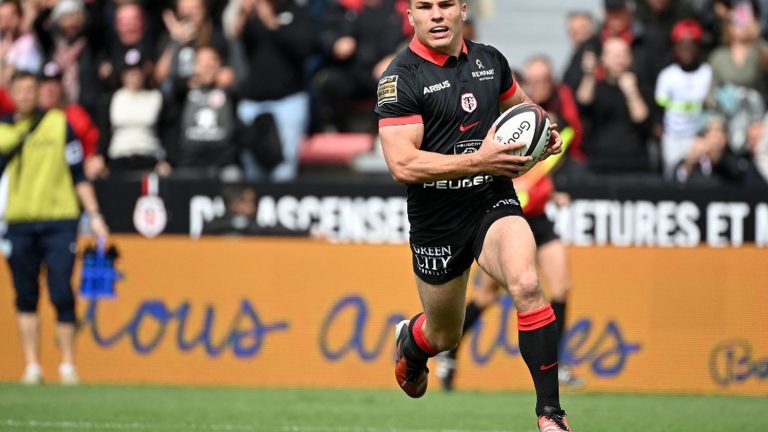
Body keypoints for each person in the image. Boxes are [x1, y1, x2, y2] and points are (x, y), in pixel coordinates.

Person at [375, 1, 571, 430]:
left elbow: (527, 111)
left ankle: (551, 415)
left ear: (463, 9)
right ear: (411, 16)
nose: (437, 14)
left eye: (446, 4)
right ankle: (413, 341)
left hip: (490, 201)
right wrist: (480, 160)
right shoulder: (399, 78)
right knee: (445, 335)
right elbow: (402, 165)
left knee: (526, 282)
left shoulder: (490, 62)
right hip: (436, 219)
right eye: (425, 7)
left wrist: (545, 134)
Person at [435, 56, 584, 391]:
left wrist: (558, 192)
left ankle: (556, 365)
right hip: (505, 214)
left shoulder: (548, 121)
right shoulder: (501, 121)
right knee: (486, 296)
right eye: (532, 78)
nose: (539, 84)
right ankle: (451, 352)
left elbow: (551, 168)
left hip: (540, 218)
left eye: (544, 78)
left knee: (561, 286)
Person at [0, 71, 109, 385]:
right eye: (19, 90)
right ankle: (32, 365)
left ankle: (67, 365)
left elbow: (78, 175)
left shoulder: (60, 125)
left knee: (62, 290)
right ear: (11, 93)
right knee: (25, 294)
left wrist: (95, 214)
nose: (26, 95)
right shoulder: (5, 130)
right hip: (19, 222)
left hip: (60, 221)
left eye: (31, 89)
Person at [655, 19, 713, 178]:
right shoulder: (667, 75)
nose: (687, 50)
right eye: (682, 46)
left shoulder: (708, 73)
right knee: (673, 177)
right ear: (674, 48)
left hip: (699, 135)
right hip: (673, 136)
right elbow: (660, 107)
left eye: (691, 45)